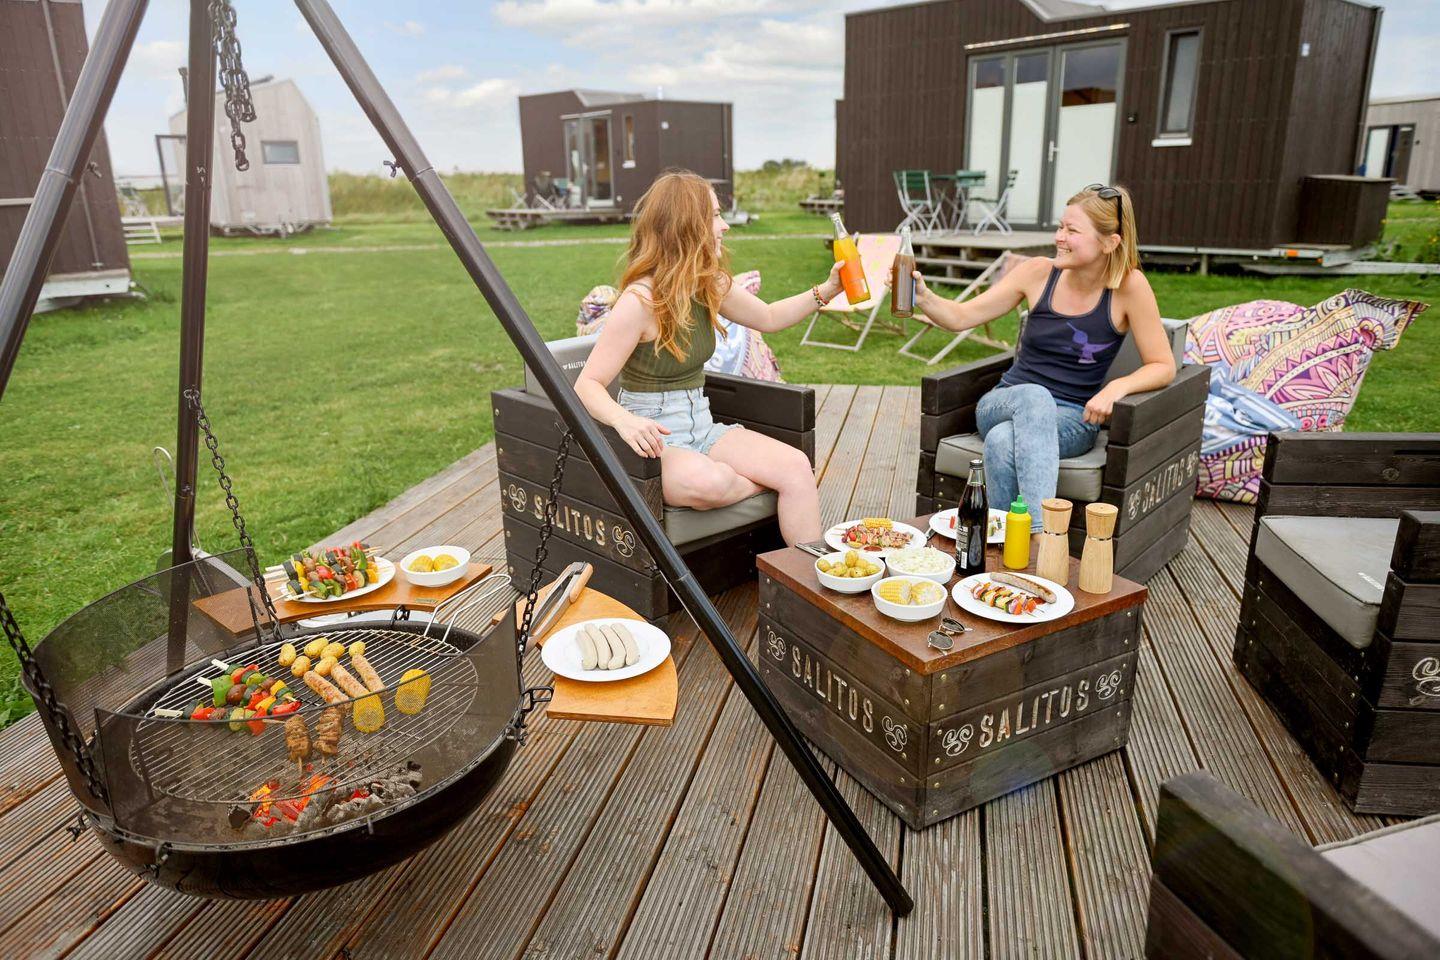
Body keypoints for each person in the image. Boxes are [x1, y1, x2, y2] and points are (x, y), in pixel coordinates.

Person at [575, 169, 842, 544]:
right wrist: (624, 421)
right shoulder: (639, 302)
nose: (725, 225)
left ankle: (808, 576)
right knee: (711, 482)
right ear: (687, 225)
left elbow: (768, 317)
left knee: (796, 466)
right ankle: (757, 484)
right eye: (715, 215)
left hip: (703, 426)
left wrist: (827, 289)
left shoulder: (708, 283)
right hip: (656, 439)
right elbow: (587, 384)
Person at [912, 184, 1175, 527]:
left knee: (1001, 442)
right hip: (1004, 401)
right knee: (1034, 397)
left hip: (1072, 419)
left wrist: (1117, 388)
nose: (1059, 237)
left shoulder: (1129, 287)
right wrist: (923, 296)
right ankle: (1040, 538)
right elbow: (961, 317)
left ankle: (1005, 545)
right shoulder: (1038, 272)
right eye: (1060, 226)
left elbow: (1163, 365)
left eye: (1072, 231)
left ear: (1109, 242)